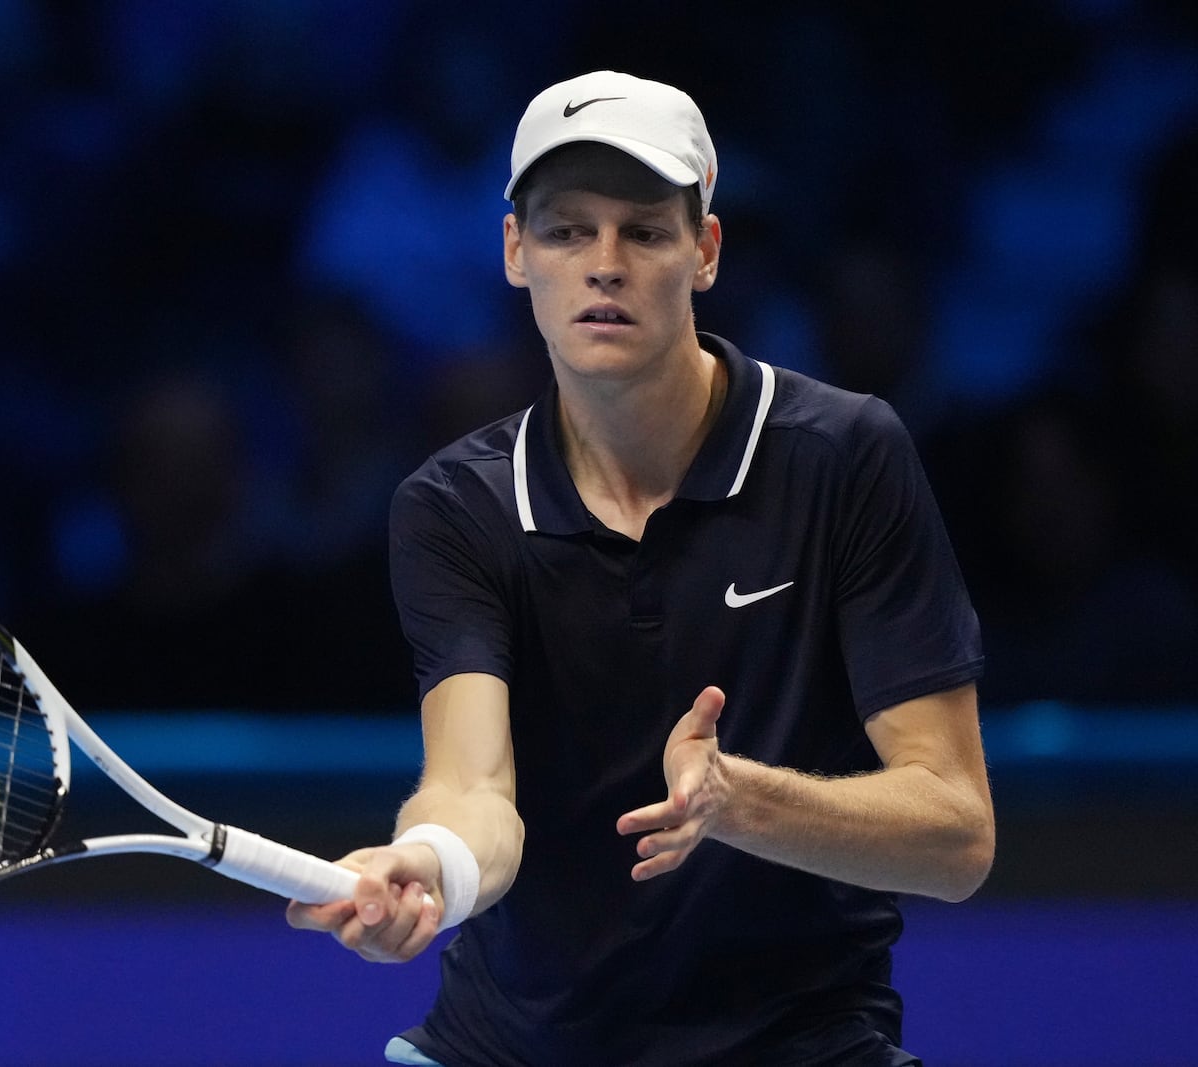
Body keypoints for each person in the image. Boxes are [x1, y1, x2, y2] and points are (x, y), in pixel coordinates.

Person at [286, 70, 995, 1067]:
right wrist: (430, 863)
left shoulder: (844, 456)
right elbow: (473, 783)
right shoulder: (455, 506)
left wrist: (738, 798)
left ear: (703, 251)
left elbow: (957, 834)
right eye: (567, 230)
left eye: (644, 230)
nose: (603, 265)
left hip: (799, 1044)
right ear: (513, 252)